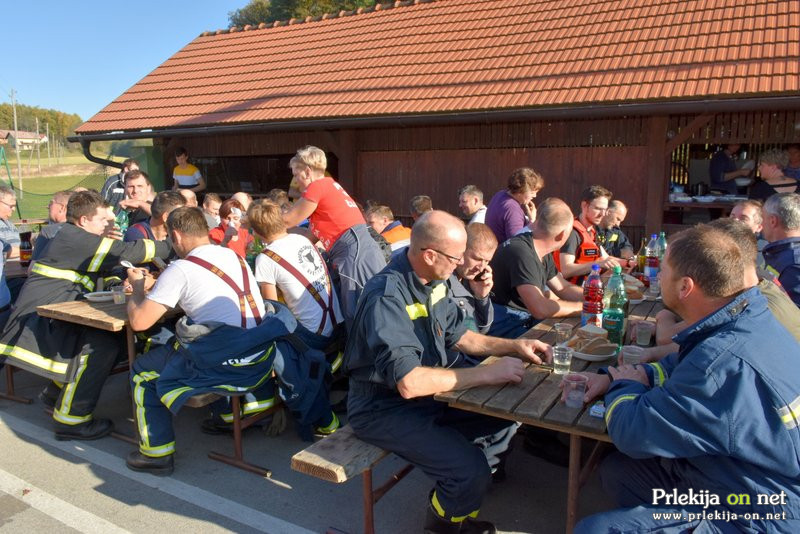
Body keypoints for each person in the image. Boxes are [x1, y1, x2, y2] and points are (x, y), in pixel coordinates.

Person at [574, 224, 800, 533]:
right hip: (737, 475)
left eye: (663, 269)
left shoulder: (718, 363)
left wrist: (625, 385)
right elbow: (680, 366)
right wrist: (615, 375)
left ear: (685, 287)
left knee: (596, 529)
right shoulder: (748, 318)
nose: (656, 275)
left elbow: (632, 432)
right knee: (619, 472)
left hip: (757, 509)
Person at [345, 210, 553, 534]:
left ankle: (459, 497)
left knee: (504, 415)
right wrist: (487, 374)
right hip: (382, 409)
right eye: (456, 258)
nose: (461, 265)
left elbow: (461, 336)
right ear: (430, 255)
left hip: (427, 395)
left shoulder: (434, 282)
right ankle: (443, 522)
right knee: (469, 471)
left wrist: (515, 346)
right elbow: (409, 383)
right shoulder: (386, 297)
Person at [125, 207, 337, 474]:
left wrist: (136, 290)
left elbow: (139, 322)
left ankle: (156, 454)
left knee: (143, 372)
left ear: (176, 236)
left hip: (229, 366)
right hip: (262, 357)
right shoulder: (233, 256)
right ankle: (226, 416)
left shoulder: (180, 269)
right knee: (202, 340)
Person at [0, 191, 170, 441]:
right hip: (37, 320)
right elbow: (127, 251)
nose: (107, 225)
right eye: (102, 220)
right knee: (102, 346)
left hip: (56, 313)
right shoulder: (74, 237)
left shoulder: (79, 238)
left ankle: (55, 393)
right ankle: (71, 420)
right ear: (83, 220)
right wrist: (173, 243)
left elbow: (101, 273)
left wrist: (118, 283)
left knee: (118, 341)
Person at [282, 146, 386, 325]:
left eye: (296, 175)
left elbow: (287, 220)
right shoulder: (330, 186)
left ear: (307, 172)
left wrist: (257, 220)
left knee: (358, 313)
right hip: (361, 248)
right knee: (368, 310)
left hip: (353, 252)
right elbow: (308, 236)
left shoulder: (316, 187)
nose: (296, 182)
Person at [248, 200, 343, 351]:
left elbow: (273, 308)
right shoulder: (303, 239)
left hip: (314, 337)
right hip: (339, 325)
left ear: (256, 231)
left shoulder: (266, 258)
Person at [491, 198, 583, 320]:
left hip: (518, 318)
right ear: (562, 235)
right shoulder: (521, 253)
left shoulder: (540, 248)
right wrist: (585, 307)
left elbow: (562, 287)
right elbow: (540, 309)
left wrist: (595, 298)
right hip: (505, 323)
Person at [555, 185, 622, 284]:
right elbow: (566, 270)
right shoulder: (573, 233)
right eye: (598, 209)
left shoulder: (591, 232)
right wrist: (598, 264)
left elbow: (606, 258)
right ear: (584, 206)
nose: (603, 214)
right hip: (567, 290)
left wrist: (629, 263)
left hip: (589, 287)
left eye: (605, 210)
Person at [485, 167, 543, 243]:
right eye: (532, 193)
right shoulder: (512, 210)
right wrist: (532, 221)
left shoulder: (500, 194)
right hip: (502, 249)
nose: (535, 196)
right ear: (520, 191)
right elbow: (517, 243)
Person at [762, 192, 800, 307]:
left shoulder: (794, 264)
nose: (761, 224)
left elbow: (794, 312)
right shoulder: (780, 253)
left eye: (762, 218)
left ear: (773, 221)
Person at [32, 190, 73, 261]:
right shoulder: (84, 231)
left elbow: (34, 264)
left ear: (62, 208)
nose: (48, 206)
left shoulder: (47, 232)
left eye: (51, 203)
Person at [731, 198, 768, 269]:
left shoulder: (764, 253)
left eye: (743, 219)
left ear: (759, 227)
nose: (735, 221)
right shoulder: (716, 243)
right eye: (732, 217)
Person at [0, 185, 20, 259]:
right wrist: (29, 250)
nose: (14, 209)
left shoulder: (9, 224)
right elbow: (4, 251)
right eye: (11, 206)